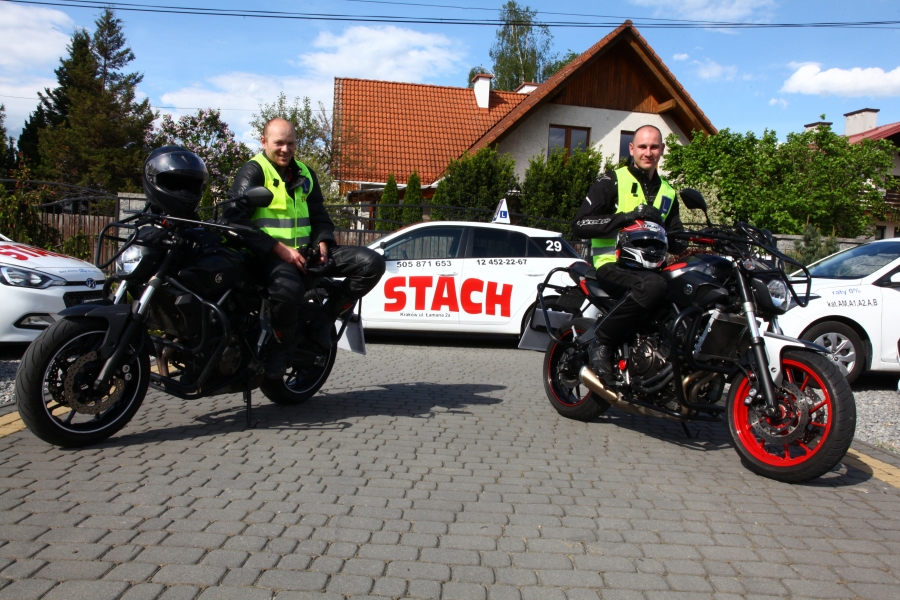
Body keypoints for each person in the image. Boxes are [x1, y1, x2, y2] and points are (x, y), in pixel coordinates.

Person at [226, 117, 385, 378]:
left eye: (290, 143)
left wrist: (322, 242)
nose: (285, 149)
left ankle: (324, 319)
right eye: (279, 143)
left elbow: (319, 216)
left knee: (372, 263)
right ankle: (282, 348)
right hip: (271, 256)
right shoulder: (254, 171)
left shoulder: (305, 173)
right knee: (288, 290)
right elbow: (233, 218)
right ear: (264, 142)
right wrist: (278, 248)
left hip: (307, 254)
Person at [572, 124, 687, 383]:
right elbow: (579, 224)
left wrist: (701, 237)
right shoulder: (612, 180)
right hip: (611, 265)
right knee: (653, 286)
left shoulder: (668, 192)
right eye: (643, 146)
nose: (648, 152)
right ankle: (602, 340)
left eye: (654, 147)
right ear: (632, 148)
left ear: (662, 149)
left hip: (650, 270)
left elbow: (677, 240)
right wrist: (626, 217)